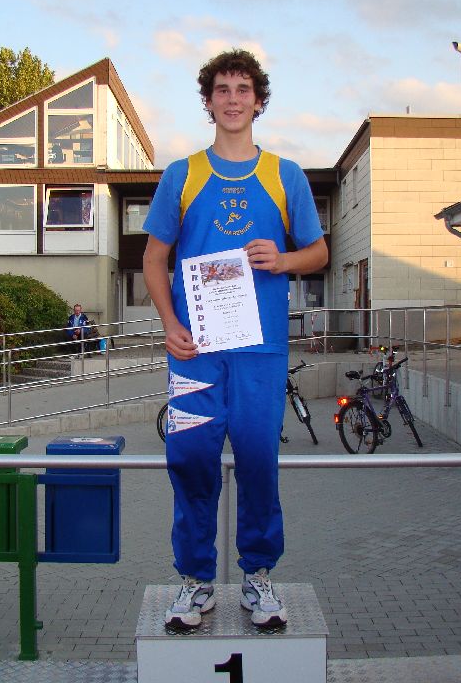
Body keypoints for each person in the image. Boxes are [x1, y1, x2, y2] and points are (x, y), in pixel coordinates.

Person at [142, 49, 328, 630]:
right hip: (195, 353)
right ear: (208, 101)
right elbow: (153, 259)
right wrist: (169, 323)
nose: (232, 99)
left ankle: (257, 575)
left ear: (258, 101)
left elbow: (319, 253)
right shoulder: (182, 174)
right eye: (221, 89)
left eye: (242, 89)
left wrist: (285, 259)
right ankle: (195, 581)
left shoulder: (285, 175)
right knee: (190, 459)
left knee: (257, 460)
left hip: (260, 351)